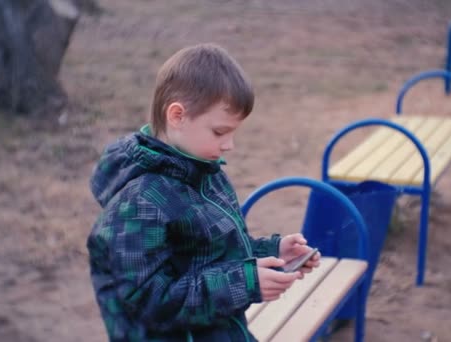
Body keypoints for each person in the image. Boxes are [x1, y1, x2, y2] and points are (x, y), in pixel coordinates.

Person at [87, 43, 320, 341]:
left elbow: (213, 252)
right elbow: (149, 304)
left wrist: (273, 253)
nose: (229, 145)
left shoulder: (203, 172)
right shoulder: (140, 202)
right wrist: (244, 283)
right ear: (177, 116)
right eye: (220, 132)